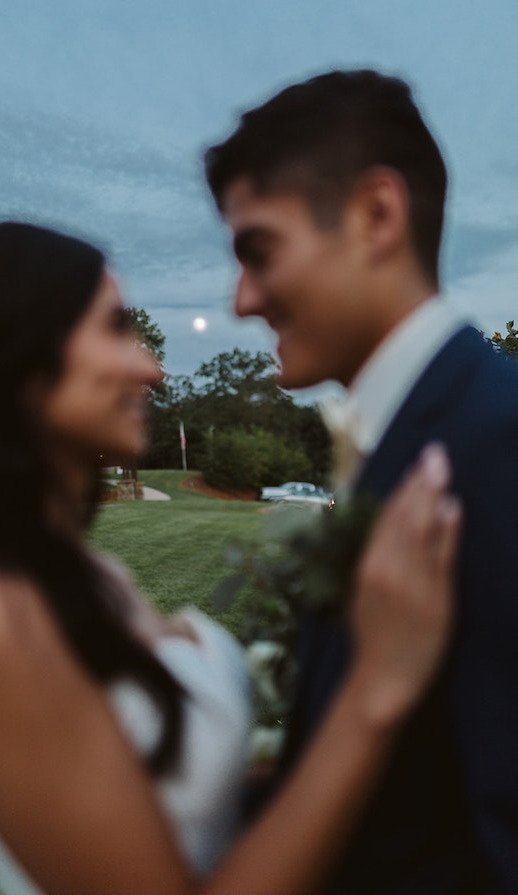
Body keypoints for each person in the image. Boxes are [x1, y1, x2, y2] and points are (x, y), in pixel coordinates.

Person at [0, 221, 463, 895]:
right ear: (13, 353)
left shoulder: (90, 575)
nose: (151, 367)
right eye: (116, 328)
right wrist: (375, 689)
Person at [205, 69, 518, 894]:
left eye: (258, 250)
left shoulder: (496, 441)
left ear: (377, 215)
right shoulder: (408, 440)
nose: (241, 299)